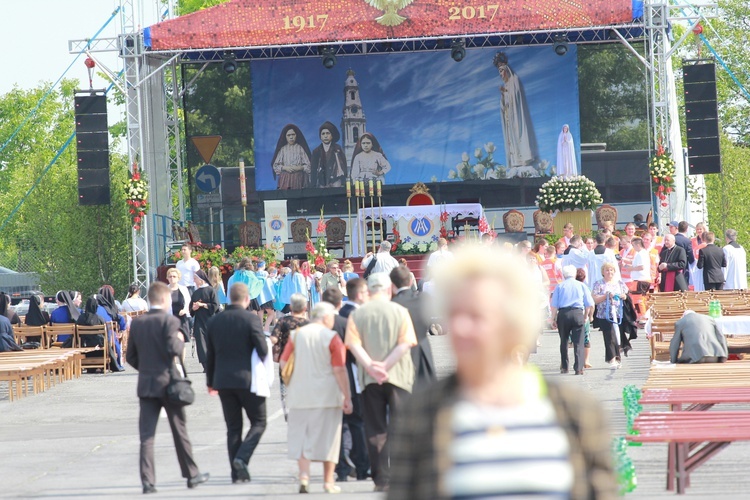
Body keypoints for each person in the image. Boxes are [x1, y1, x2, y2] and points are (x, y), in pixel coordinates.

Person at [388, 245, 616, 499]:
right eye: (454, 314)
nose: (461, 327)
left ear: (514, 322)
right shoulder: (421, 414)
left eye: (477, 316)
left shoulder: (576, 412)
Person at [126, 282, 209, 494]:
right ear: (164, 300)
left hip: (147, 385)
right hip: (169, 383)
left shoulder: (137, 324)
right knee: (179, 431)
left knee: (147, 436)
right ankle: (191, 474)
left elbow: (131, 357)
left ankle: (147, 481)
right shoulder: (170, 321)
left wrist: (145, 370)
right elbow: (174, 349)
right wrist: (181, 340)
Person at [344, 273, 417, 492]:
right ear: (388, 290)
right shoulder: (401, 312)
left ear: (369, 291)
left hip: (369, 379)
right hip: (399, 376)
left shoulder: (358, 314)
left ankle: (381, 479)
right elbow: (406, 343)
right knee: (401, 426)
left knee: (375, 428)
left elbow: (353, 345)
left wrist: (372, 367)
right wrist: (386, 366)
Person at [281, 302, 353, 494]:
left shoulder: (296, 336)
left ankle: (304, 477)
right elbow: (339, 369)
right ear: (326, 317)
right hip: (327, 395)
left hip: (299, 395)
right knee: (329, 439)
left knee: (302, 437)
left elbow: (283, 362)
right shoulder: (332, 337)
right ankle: (328, 482)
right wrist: (347, 396)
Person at [206, 282, 269, 484]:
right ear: (246, 299)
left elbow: (210, 356)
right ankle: (242, 458)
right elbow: (263, 349)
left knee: (233, 428)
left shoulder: (215, 321)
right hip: (249, 380)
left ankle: (236, 473)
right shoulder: (251, 319)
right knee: (259, 422)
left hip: (223, 381)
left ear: (229, 298)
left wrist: (210, 382)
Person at [322, 287, 370, 483]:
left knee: (333, 426)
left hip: (325, 378)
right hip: (348, 375)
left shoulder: (317, 325)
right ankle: (361, 466)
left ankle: (341, 467)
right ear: (339, 303)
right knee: (356, 422)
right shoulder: (345, 322)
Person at [390, 265, 436, 387]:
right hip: (423, 348)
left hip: (401, 352)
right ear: (410, 281)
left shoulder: (392, 304)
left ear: (392, 284)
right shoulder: (423, 299)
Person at [493, 52, 539, 170]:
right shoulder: (506, 86)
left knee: (519, 133)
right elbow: (504, 105)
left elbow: (517, 96)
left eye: (501, 71)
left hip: (517, 115)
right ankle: (515, 160)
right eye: (499, 72)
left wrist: (507, 92)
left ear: (507, 70)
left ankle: (524, 157)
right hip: (509, 117)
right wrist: (503, 95)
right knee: (511, 138)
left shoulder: (514, 81)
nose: (501, 74)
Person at [271, 293, 309, 420]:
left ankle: (288, 412)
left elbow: (273, 338)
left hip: (285, 360)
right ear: (304, 308)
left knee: (285, 386)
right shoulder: (307, 323)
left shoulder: (283, 321)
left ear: (291, 307)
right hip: (303, 360)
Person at [550, 265, 595, 375]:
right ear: (574, 274)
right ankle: (578, 368)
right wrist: (586, 316)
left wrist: (553, 318)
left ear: (564, 275)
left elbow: (554, 305)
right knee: (578, 341)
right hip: (577, 312)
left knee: (564, 341)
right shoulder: (581, 285)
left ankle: (564, 367)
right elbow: (589, 303)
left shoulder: (559, 286)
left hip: (563, 313)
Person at [592, 262, 630, 368]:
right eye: (607, 270)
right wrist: (606, 296)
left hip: (618, 313)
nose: (609, 272)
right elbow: (595, 299)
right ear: (603, 272)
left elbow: (627, 295)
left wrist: (623, 296)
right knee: (609, 336)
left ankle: (617, 358)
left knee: (617, 335)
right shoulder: (599, 283)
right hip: (604, 314)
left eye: (611, 270)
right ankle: (612, 359)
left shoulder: (619, 283)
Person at [74, 295, 124, 372]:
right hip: (100, 349)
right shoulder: (99, 318)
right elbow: (106, 334)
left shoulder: (81, 318)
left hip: (86, 347)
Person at [190, 270, 220, 370]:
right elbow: (191, 309)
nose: (194, 280)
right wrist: (193, 308)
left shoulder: (211, 290)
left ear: (201, 279)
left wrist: (203, 305)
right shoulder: (195, 293)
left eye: (195, 278)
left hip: (211, 320)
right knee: (201, 344)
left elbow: (216, 306)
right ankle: (205, 365)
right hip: (199, 322)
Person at [272, 124, 312, 190]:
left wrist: (300, 167)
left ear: (296, 135)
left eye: (293, 135)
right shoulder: (283, 149)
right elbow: (275, 166)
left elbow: (308, 166)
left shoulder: (300, 148)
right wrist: (285, 167)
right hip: (285, 179)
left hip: (299, 179)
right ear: (285, 137)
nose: (291, 137)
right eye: (288, 135)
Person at [311, 121, 347, 188]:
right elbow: (313, 169)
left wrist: (343, 182)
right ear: (320, 136)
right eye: (323, 134)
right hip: (321, 183)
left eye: (328, 133)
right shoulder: (316, 151)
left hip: (336, 181)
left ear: (332, 135)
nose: (325, 136)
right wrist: (313, 185)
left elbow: (343, 166)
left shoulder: (337, 149)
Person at [166, 268, 192, 341]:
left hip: (181, 318)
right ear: (167, 278)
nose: (172, 278)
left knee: (182, 342)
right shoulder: (164, 289)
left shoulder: (183, 289)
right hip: (170, 318)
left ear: (178, 278)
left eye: (174, 276)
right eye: (170, 276)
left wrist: (185, 310)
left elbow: (188, 302)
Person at [690, 222, 708, 291]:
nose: (699, 231)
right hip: (696, 264)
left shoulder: (707, 239)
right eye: (697, 229)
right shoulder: (692, 240)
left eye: (700, 229)